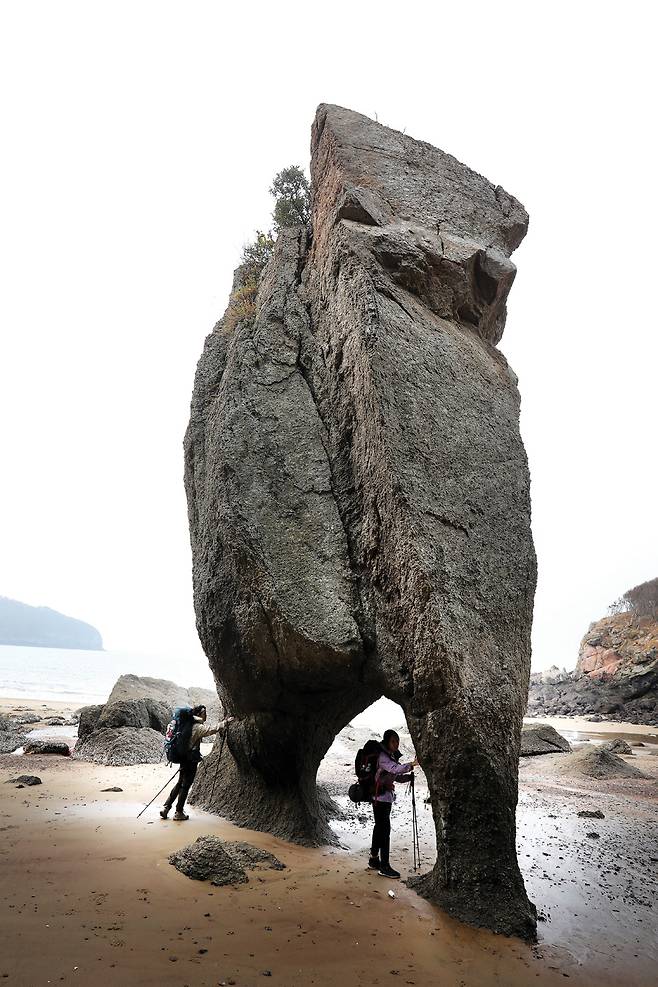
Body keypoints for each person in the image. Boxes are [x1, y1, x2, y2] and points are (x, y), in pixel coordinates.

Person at [160, 705, 233, 821]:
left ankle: (166, 808)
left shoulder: (185, 725)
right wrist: (226, 722)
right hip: (191, 760)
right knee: (186, 785)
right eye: (205, 713)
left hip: (183, 758)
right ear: (200, 714)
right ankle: (179, 812)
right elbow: (211, 730)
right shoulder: (197, 727)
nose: (206, 715)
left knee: (179, 783)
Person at [369, 729, 417, 879]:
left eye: (397, 741)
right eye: (393, 741)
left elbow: (394, 776)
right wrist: (412, 764)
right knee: (385, 831)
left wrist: (408, 778)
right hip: (380, 799)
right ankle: (384, 866)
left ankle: (374, 859)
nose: (396, 744)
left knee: (379, 828)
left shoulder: (389, 757)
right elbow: (395, 769)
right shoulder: (384, 757)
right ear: (387, 742)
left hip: (382, 798)